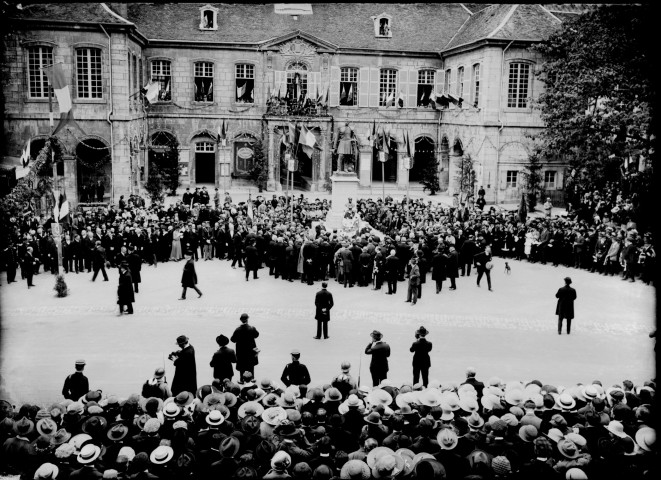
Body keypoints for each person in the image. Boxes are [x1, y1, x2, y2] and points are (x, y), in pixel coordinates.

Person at [231, 313, 260, 378]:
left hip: (241, 354)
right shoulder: (252, 328)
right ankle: (251, 382)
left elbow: (232, 340)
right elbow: (257, 335)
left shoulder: (237, 329)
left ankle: (242, 381)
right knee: (251, 369)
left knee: (242, 370)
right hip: (251, 353)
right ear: (247, 320)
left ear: (241, 320)